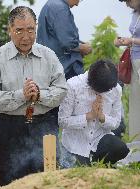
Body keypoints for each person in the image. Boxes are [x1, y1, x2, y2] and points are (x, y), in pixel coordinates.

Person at [0, 6, 68, 186]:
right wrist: (21, 95)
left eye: (31, 30)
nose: (26, 36)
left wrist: (40, 95)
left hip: (44, 124)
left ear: (36, 27)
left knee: (45, 179)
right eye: (19, 30)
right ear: (10, 30)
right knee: (9, 180)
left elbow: (62, 90)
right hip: (9, 127)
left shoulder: (49, 56)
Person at [58, 60, 129, 166]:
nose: (101, 93)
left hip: (99, 138)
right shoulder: (73, 85)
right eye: (97, 90)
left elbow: (116, 123)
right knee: (80, 172)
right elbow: (62, 121)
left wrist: (102, 117)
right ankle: (90, 165)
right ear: (91, 82)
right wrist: (89, 116)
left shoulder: (115, 89)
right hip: (76, 143)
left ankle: (98, 165)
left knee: (120, 149)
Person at [37, 0, 92, 80]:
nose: (77, 4)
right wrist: (83, 48)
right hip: (65, 69)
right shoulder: (61, 9)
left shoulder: (50, 4)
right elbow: (68, 43)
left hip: (49, 68)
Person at [115, 0, 140, 141]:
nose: (127, 4)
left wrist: (132, 41)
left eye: (128, 0)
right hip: (134, 61)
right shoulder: (135, 13)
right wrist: (122, 42)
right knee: (135, 105)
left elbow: (135, 39)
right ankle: (137, 145)